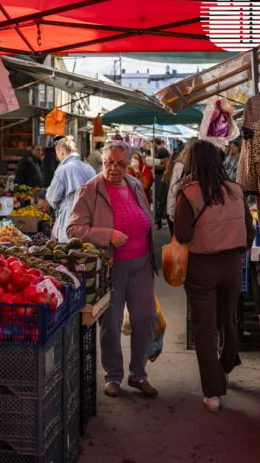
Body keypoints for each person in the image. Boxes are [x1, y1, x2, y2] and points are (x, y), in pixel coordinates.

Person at [67, 140, 158, 398]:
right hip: (111, 265)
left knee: (145, 318)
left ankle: (138, 375)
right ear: (102, 161)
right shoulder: (90, 190)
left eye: (120, 163)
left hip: (141, 263)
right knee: (111, 321)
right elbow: (73, 229)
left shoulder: (136, 184)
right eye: (109, 163)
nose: (114, 168)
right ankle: (113, 376)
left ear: (129, 165)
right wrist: (108, 235)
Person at [173, 140, 255, 413]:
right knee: (228, 319)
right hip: (232, 265)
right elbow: (249, 228)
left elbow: (183, 234)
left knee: (204, 329)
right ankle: (227, 364)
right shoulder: (235, 191)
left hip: (200, 268)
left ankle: (213, 393)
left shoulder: (188, 194)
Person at [37, 137, 95, 242]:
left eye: (57, 153)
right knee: (86, 251)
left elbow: (52, 198)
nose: (58, 157)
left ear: (61, 151)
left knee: (70, 251)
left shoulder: (63, 169)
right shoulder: (89, 168)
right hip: (90, 218)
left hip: (70, 219)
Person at [165, 138, 197, 235]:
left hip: (183, 205)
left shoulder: (179, 165)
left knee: (182, 236)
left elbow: (173, 189)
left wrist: (171, 210)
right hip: (198, 206)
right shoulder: (202, 164)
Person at [153, 137, 171, 229]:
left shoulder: (162, 151)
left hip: (161, 176)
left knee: (160, 196)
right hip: (160, 176)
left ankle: (161, 215)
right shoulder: (161, 151)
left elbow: (165, 165)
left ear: (155, 143)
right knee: (161, 196)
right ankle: (161, 215)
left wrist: (154, 167)